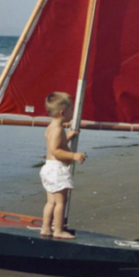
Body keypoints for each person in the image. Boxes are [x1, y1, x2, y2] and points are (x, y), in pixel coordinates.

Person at [40, 92, 87, 240]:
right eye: (71, 110)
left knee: (51, 202)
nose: (73, 113)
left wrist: (69, 136)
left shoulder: (52, 127)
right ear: (62, 112)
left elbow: (57, 144)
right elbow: (56, 150)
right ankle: (58, 230)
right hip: (56, 169)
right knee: (61, 202)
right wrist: (74, 155)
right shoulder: (58, 129)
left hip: (49, 168)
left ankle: (46, 228)